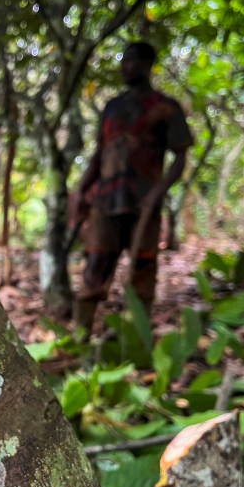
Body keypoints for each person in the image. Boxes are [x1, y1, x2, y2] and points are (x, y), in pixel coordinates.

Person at [73, 41, 193, 335]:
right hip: (106, 201)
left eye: (130, 61)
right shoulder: (112, 107)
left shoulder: (166, 108)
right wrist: (81, 192)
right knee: (95, 269)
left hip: (144, 202)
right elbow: (100, 154)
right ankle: (79, 337)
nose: (124, 67)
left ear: (146, 65)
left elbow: (180, 157)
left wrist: (157, 193)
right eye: (123, 60)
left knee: (142, 270)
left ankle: (133, 341)